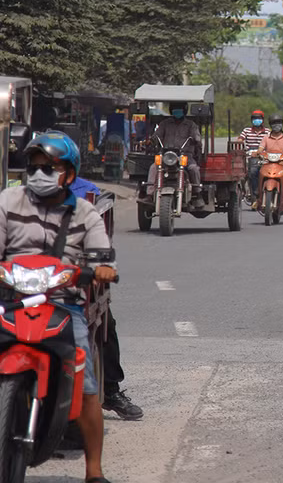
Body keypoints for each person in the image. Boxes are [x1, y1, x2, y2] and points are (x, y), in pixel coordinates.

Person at [0, 131, 115, 482]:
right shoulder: (8, 201)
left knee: (88, 384)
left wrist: (101, 269)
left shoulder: (86, 213)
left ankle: (93, 471)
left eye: (50, 167)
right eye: (34, 167)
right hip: (9, 299)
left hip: (64, 306)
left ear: (68, 173)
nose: (40, 173)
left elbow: (101, 255)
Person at [68, 177, 144, 421]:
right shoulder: (17, 194)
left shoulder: (84, 193)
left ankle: (110, 390)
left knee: (103, 323)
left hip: (66, 277)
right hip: (22, 276)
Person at [144, 101, 203, 208]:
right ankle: (150, 194)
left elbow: (197, 137)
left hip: (185, 155)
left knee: (194, 169)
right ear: (171, 111)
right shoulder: (165, 123)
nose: (177, 112)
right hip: (166, 155)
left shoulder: (191, 125)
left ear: (184, 110)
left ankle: (197, 194)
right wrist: (152, 140)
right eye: (175, 109)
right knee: (153, 167)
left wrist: (196, 139)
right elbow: (156, 136)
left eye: (179, 109)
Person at [239, 110, 270, 204]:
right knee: (246, 175)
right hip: (249, 155)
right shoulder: (246, 131)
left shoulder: (268, 132)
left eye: (259, 119)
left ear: (262, 120)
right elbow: (240, 140)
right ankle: (244, 191)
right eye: (255, 119)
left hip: (263, 156)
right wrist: (240, 145)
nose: (257, 120)